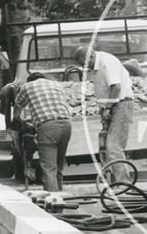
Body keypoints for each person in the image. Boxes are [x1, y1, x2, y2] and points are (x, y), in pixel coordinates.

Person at [74, 45, 134, 183]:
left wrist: (108, 107)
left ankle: (124, 184)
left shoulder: (106, 62)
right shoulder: (97, 65)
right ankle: (116, 182)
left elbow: (116, 87)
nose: (85, 68)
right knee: (107, 147)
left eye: (83, 63)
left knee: (114, 147)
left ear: (88, 57)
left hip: (121, 104)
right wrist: (104, 108)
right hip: (113, 105)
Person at [14, 73, 72, 192]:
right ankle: (60, 196)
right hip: (66, 125)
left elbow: (18, 104)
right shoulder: (56, 85)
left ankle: (53, 200)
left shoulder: (27, 86)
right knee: (58, 165)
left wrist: (16, 117)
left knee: (48, 167)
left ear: (30, 80)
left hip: (48, 127)